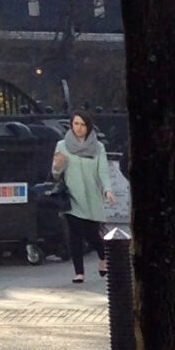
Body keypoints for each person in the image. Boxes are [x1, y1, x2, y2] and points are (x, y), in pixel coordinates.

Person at [51, 112, 110, 284]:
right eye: (76, 124)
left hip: (92, 196)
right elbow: (55, 173)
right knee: (75, 234)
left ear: (88, 126)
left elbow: (103, 171)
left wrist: (107, 190)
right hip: (72, 196)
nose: (79, 128)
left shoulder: (98, 147)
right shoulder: (62, 145)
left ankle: (103, 256)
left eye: (83, 124)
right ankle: (79, 272)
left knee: (92, 234)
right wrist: (57, 166)